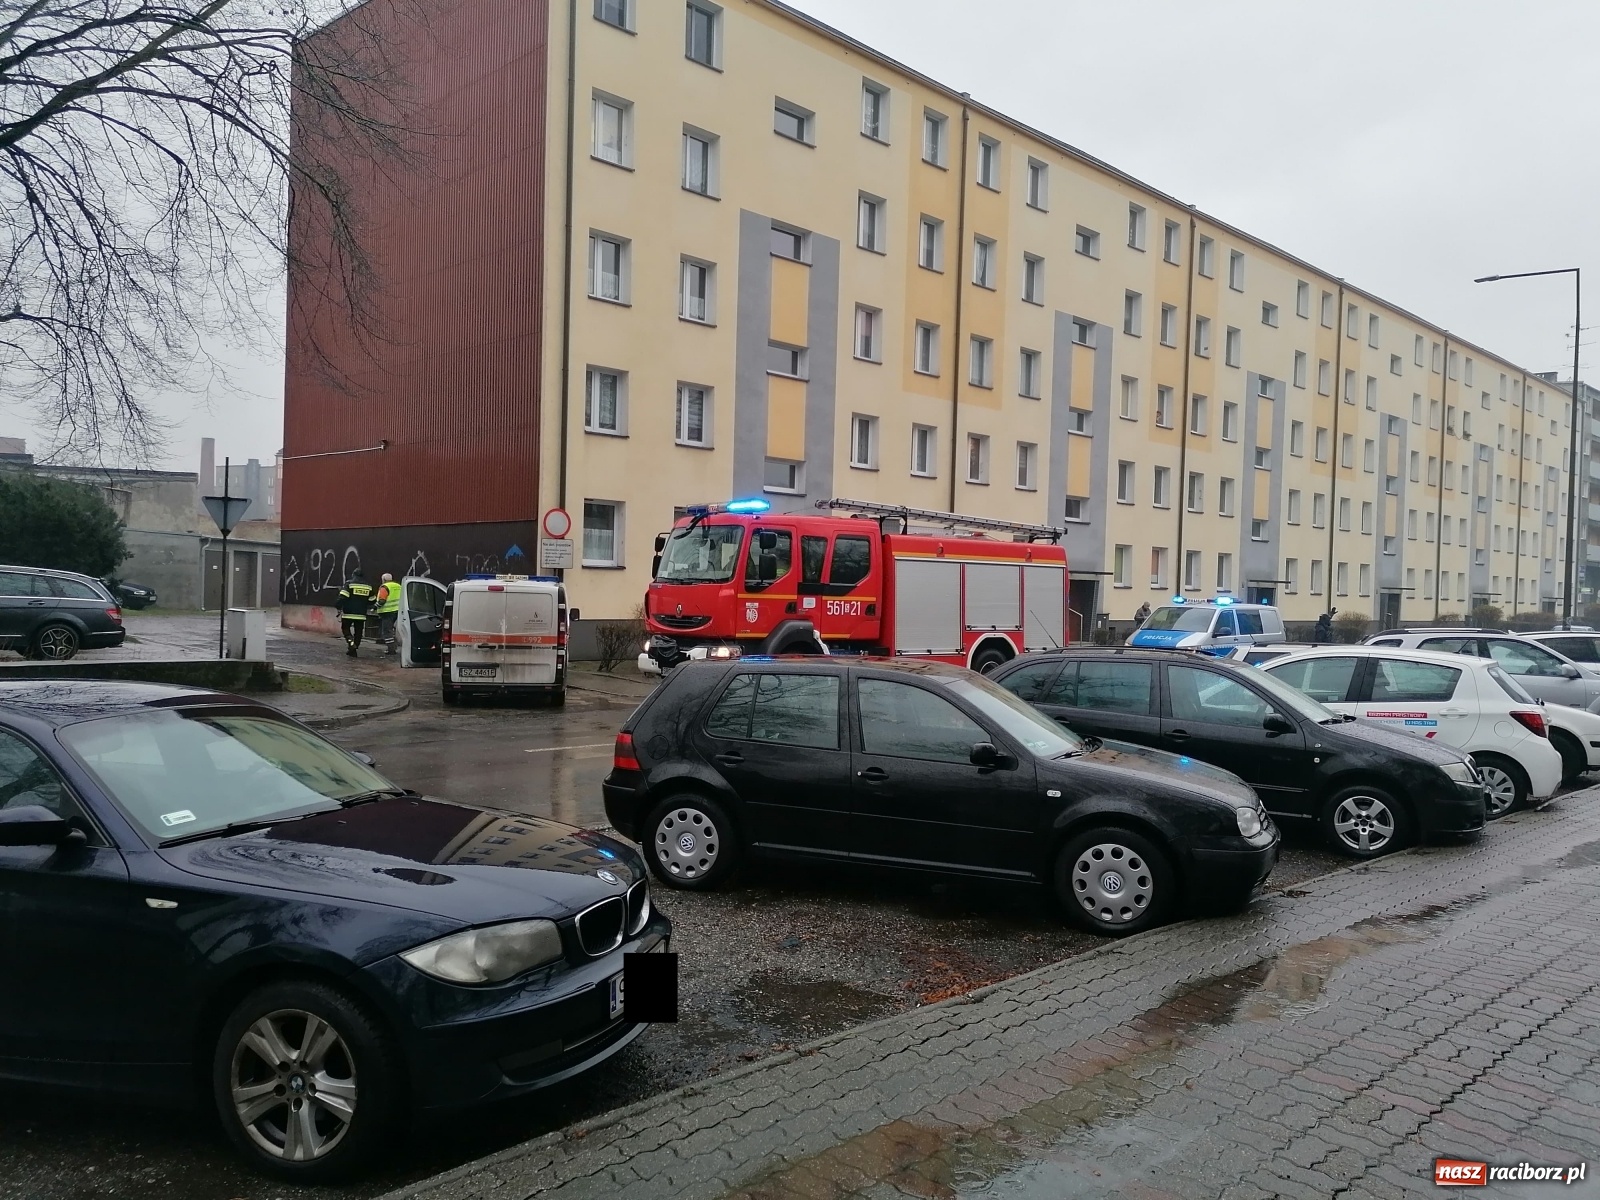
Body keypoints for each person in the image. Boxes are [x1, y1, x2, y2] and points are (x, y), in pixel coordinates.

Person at [337, 569, 375, 657]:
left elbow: (342, 597)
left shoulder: (349, 584)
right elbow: (372, 600)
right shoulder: (368, 586)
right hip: (361, 614)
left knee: (345, 629)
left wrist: (338, 606)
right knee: (358, 632)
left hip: (348, 613)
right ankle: (354, 648)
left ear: (353, 575)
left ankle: (350, 642)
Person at [372, 572, 401, 655]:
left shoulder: (384, 587)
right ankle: (393, 647)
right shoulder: (398, 586)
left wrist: (374, 607)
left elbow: (382, 600)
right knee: (391, 630)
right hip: (397, 611)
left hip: (387, 612)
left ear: (383, 579)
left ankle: (391, 649)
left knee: (386, 631)